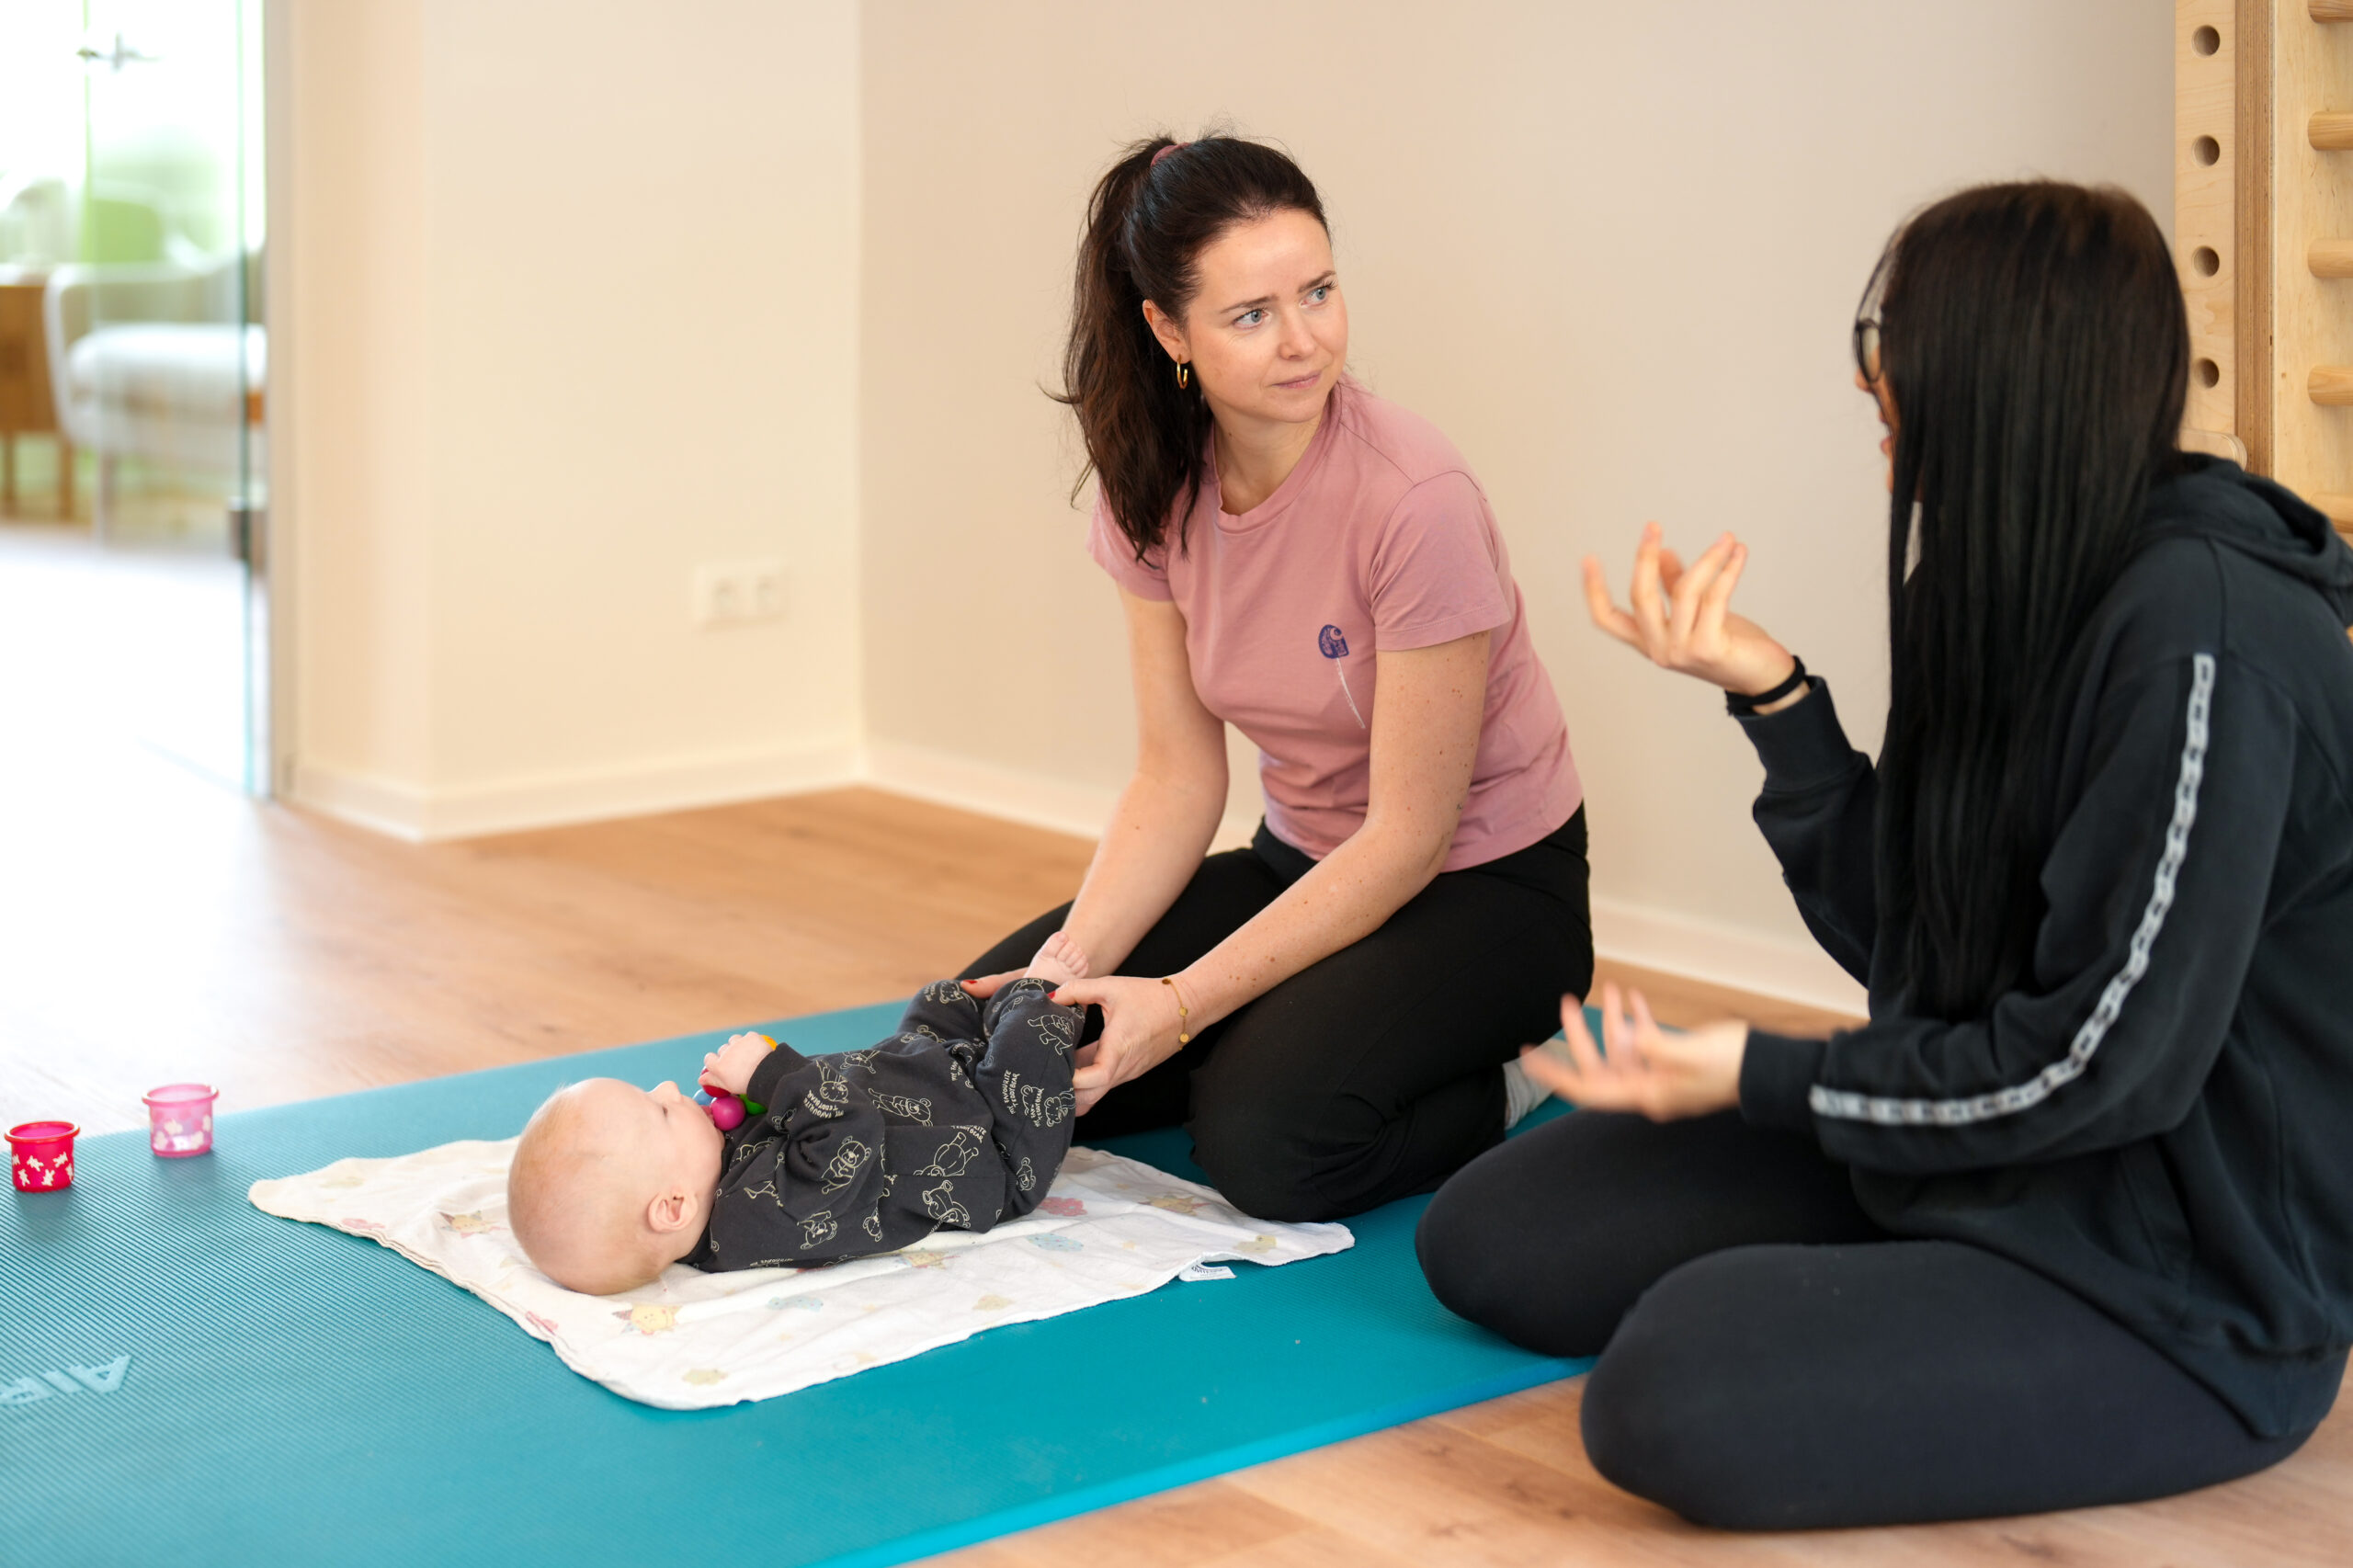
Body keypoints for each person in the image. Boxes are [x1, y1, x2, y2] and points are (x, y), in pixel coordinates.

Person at [1415, 180, 2353, 1528]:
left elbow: (2104, 1065)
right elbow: (1912, 955)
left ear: (1992, 373)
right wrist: (1777, 701)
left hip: (2183, 1275)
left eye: (1894, 349)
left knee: (1671, 1389)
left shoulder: (2209, 647)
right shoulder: (1990, 575)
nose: (1874, 386)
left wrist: (1755, 1068)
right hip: (1984, 1159)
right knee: (1494, 1238)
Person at [960, 133, 1590, 1223]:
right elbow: (1174, 775)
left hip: (1486, 890)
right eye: (1252, 314)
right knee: (993, 1051)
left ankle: (1518, 1071)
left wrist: (1182, 1002)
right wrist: (1063, 969)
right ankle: (1261, 1035)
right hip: (1296, 863)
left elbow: (1409, 836)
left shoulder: (1416, 500)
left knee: (1264, 1143)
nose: (1304, 341)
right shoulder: (1152, 488)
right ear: (1170, 331)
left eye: (1319, 292)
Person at [506, 934, 1088, 1294]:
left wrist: (748, 1100)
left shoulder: (713, 1173)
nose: (666, 1087)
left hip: (930, 1088)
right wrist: (770, 1076)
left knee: (939, 999)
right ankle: (1046, 993)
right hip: (993, 1149)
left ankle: (992, 1027)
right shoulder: (757, 1222)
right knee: (1030, 1030)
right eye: (660, 1111)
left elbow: (792, 1127)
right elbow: (847, 1138)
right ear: (674, 1207)